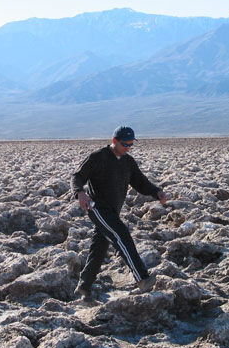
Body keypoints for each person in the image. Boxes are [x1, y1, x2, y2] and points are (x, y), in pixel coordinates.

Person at [71, 125, 167, 299]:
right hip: (98, 208)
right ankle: (142, 278)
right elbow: (77, 176)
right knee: (122, 235)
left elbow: (140, 182)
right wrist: (80, 192)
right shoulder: (97, 157)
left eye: (131, 144)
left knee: (99, 248)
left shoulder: (127, 162)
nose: (128, 147)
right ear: (114, 141)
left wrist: (156, 192)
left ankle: (83, 287)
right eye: (125, 144)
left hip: (114, 211)